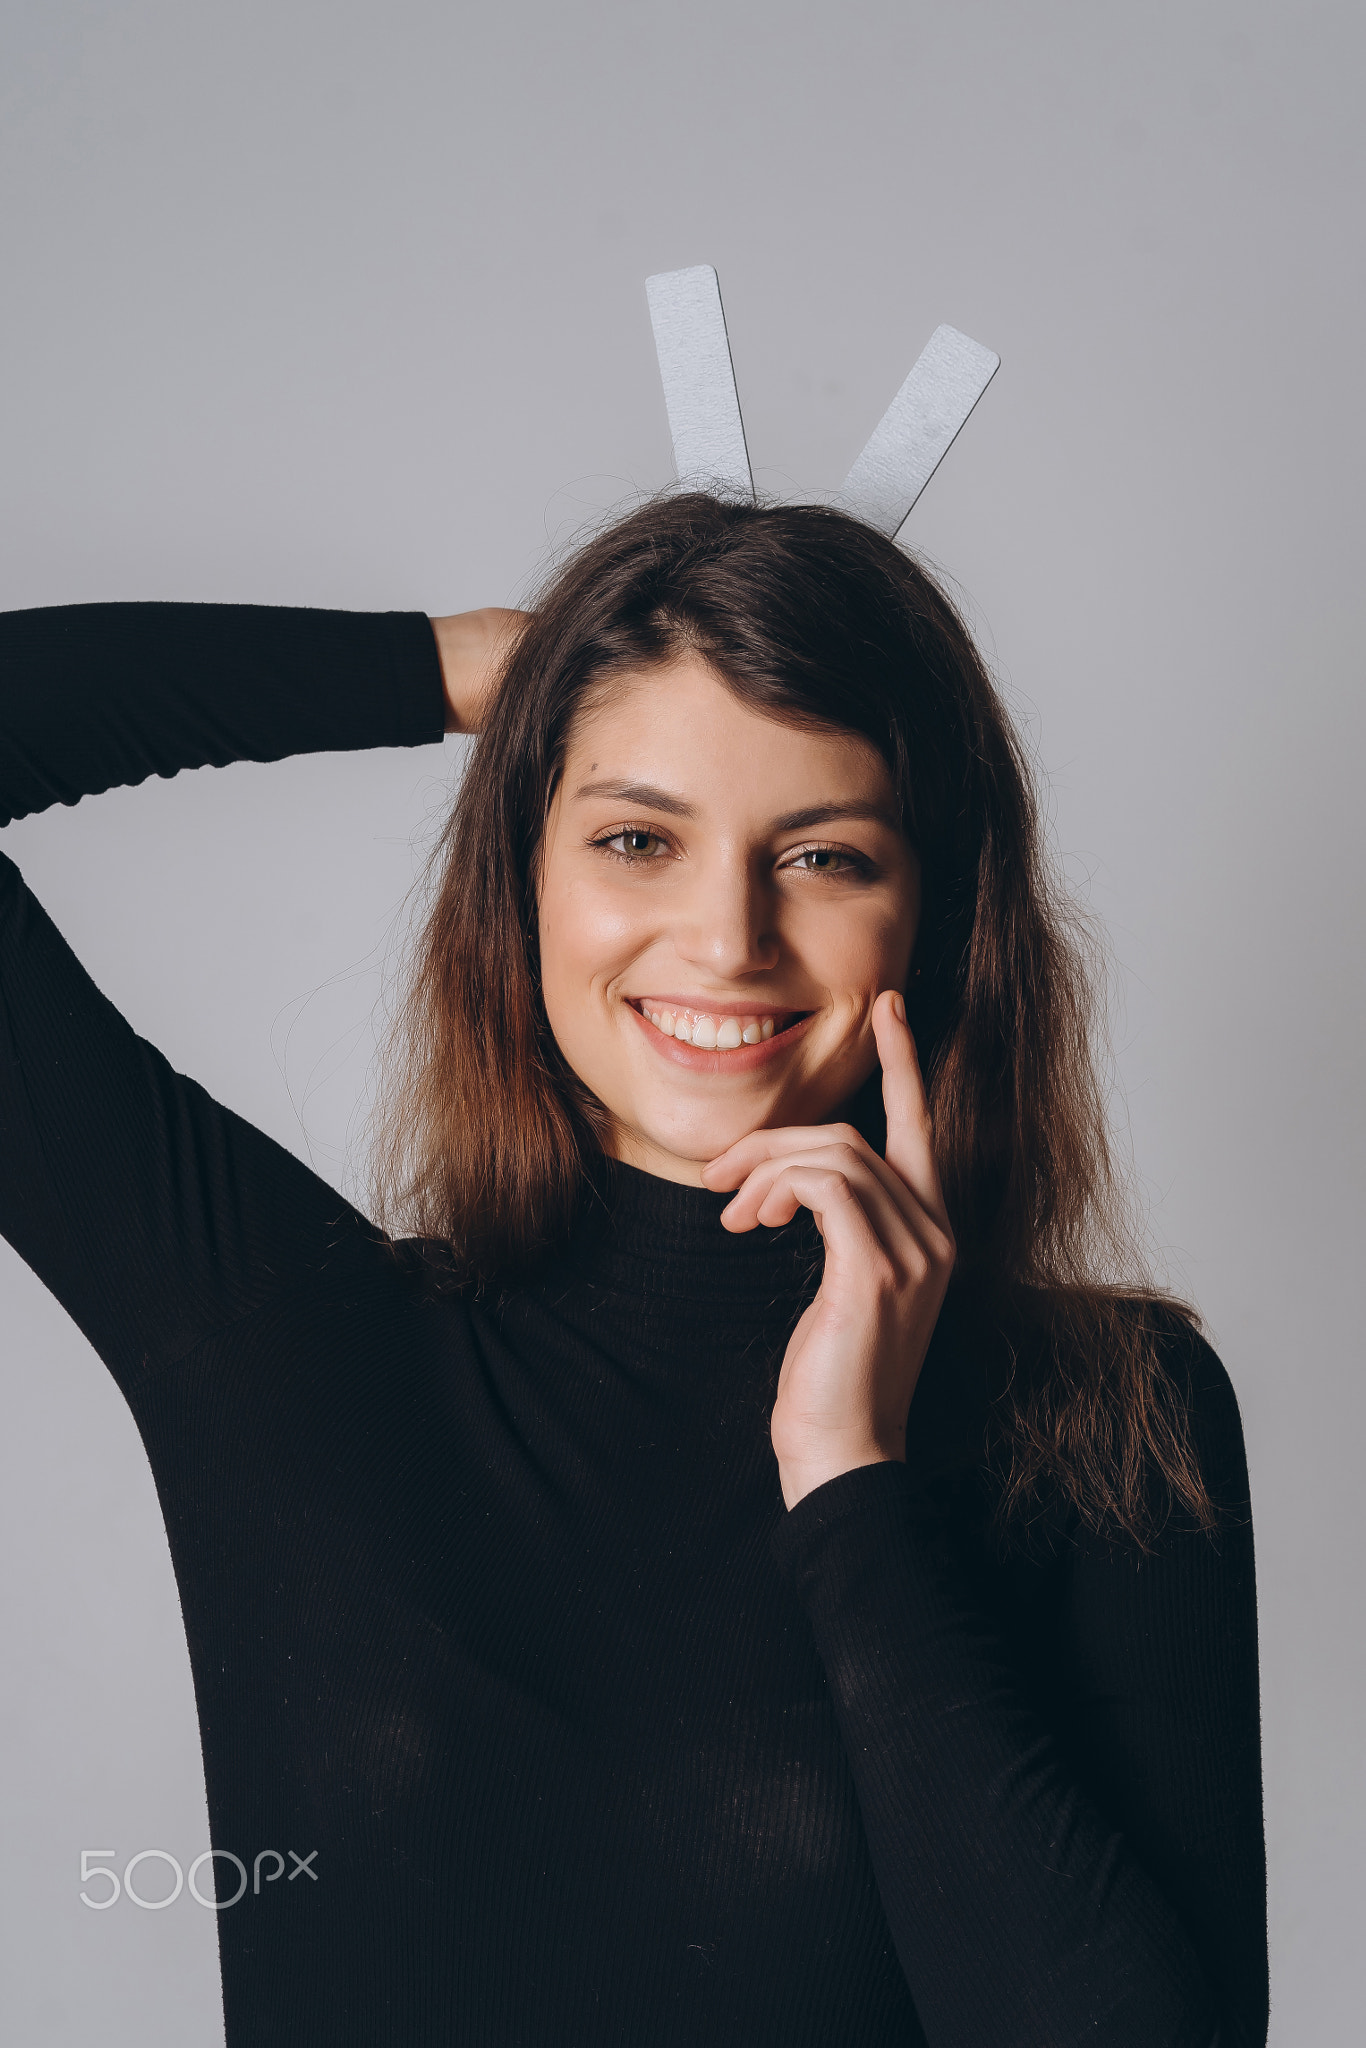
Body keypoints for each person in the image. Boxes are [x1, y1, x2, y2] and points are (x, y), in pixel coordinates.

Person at [0, 492, 1268, 2047]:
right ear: (518, 874)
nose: (724, 936)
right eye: (634, 836)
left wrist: (850, 1485)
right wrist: (468, 672)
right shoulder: (291, 1339)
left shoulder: (1109, 1415)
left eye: (820, 854)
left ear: (937, 919)